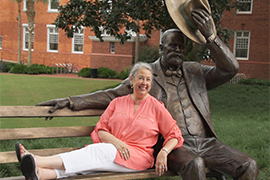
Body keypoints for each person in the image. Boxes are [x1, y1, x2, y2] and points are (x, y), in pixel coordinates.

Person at [37, 0, 258, 179]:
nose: (178, 51)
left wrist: (211, 37)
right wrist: (71, 100)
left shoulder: (196, 72)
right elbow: (111, 94)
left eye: (181, 47)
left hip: (208, 143)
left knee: (248, 165)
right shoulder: (147, 76)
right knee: (194, 165)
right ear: (161, 48)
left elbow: (231, 68)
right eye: (172, 46)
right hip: (175, 147)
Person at [17, 62, 184, 180]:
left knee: (97, 153)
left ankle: (35, 159)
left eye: (148, 80)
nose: (144, 83)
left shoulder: (156, 107)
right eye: (141, 78)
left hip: (138, 157)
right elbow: (101, 129)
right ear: (131, 80)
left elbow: (174, 134)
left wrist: (164, 152)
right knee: (91, 160)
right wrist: (116, 142)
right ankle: (41, 174)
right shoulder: (117, 103)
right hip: (112, 150)